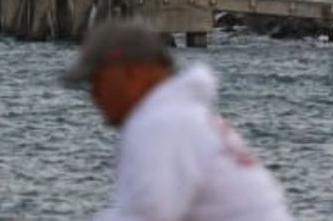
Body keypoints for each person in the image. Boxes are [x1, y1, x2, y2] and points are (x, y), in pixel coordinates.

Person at [62, 21, 294, 221]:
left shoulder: (163, 123)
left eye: (96, 80)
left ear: (131, 72)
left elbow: (145, 215)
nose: (93, 95)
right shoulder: (186, 116)